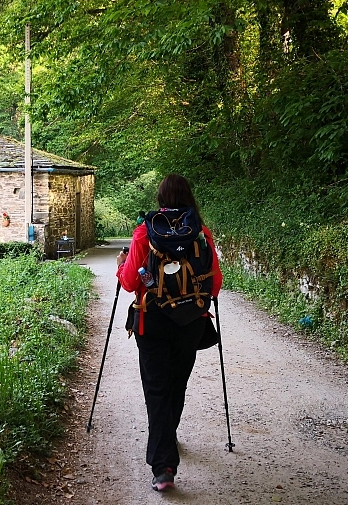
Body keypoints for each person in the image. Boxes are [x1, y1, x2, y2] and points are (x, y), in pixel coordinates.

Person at [116, 173, 222, 492]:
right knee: (177, 384)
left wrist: (122, 265)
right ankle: (167, 438)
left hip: (153, 322)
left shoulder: (143, 234)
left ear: (161, 200)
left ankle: (163, 467)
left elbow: (130, 283)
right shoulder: (202, 235)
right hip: (191, 322)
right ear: (189, 198)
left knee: (157, 389)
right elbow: (214, 285)